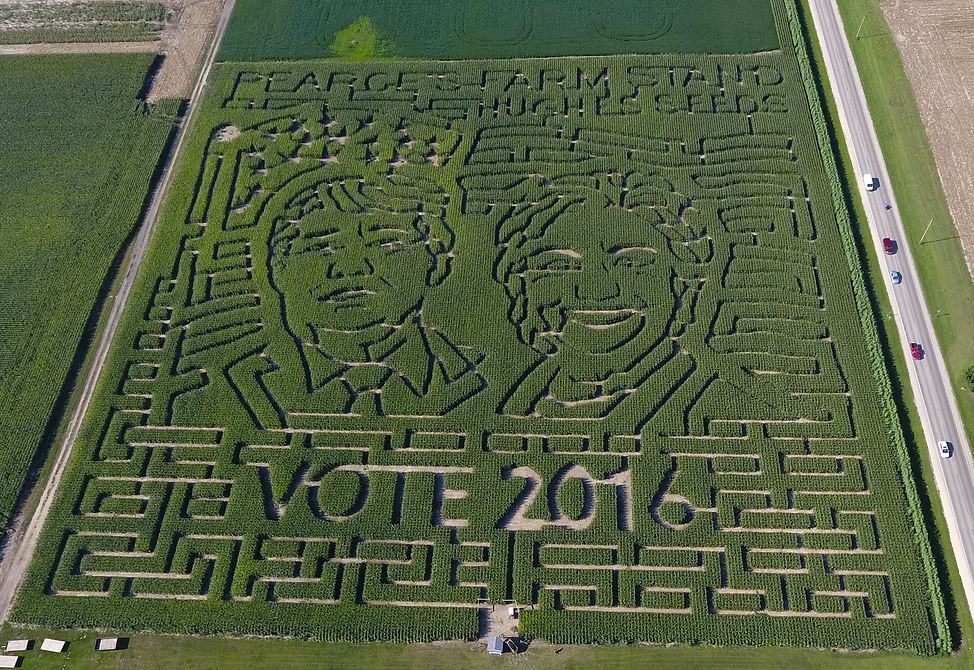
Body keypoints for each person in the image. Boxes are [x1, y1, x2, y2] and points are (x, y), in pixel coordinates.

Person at [267, 173, 485, 417]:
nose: (353, 268)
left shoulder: (480, 379)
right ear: (280, 271)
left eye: (384, 243)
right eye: (322, 246)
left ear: (437, 263)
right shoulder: (254, 386)